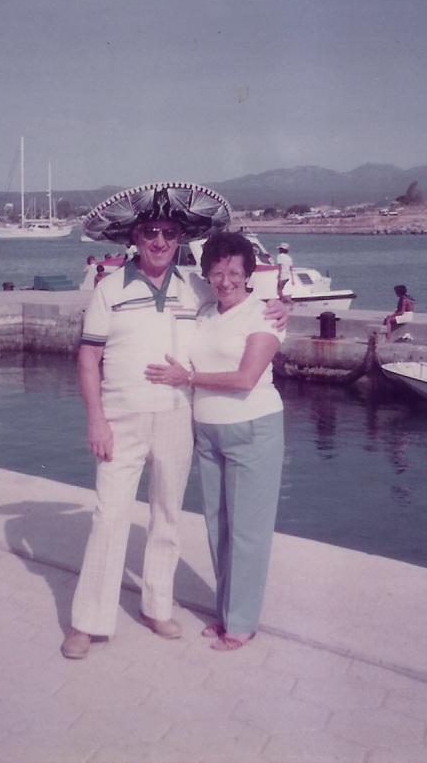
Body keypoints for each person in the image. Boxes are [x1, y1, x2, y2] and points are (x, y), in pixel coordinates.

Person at [60, 182, 286, 660]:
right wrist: (96, 420)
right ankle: (88, 621)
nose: (160, 241)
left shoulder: (195, 288)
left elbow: (238, 299)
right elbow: (88, 359)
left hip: (179, 418)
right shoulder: (108, 289)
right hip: (121, 418)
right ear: (135, 237)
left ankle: (157, 607)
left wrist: (278, 307)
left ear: (180, 238)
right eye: (150, 232)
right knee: (110, 516)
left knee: (167, 517)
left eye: (168, 233)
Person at [144, 232, 285, 652]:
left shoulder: (262, 316)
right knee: (218, 529)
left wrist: (187, 378)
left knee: (247, 532)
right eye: (218, 273)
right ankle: (225, 612)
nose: (225, 281)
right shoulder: (206, 311)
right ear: (207, 274)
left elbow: (245, 378)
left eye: (235, 273)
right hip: (207, 432)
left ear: (249, 274)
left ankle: (241, 623)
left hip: (251, 429)